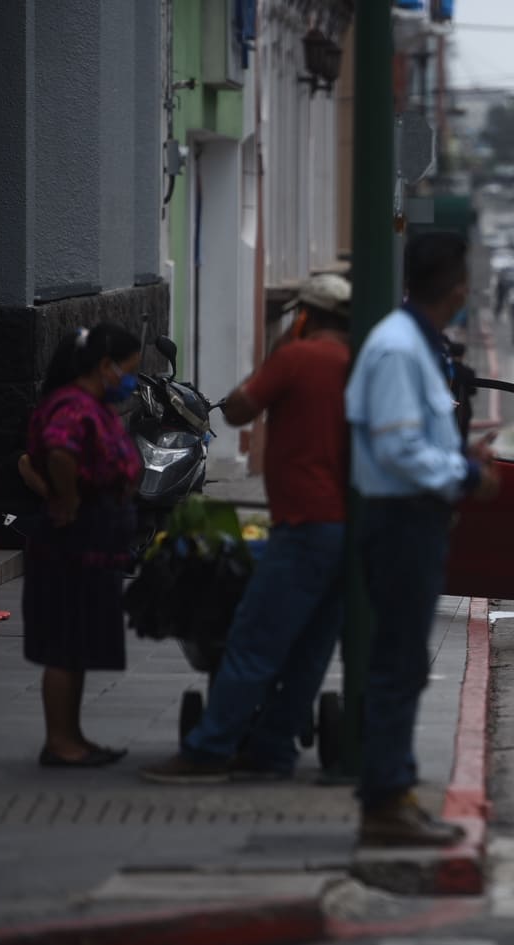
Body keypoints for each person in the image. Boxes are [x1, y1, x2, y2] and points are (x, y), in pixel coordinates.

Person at [141, 274, 353, 784]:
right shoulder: (362, 364)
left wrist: (281, 348)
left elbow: (236, 410)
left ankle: (209, 750)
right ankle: (272, 751)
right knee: (309, 653)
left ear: (305, 315)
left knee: (253, 642)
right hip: (347, 530)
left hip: (303, 524)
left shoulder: (297, 358)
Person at [347, 232, 500, 846]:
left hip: (415, 519)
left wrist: (458, 455)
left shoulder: (415, 344)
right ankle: (385, 801)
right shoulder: (397, 349)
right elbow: (399, 447)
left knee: (405, 663)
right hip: (399, 520)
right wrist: (464, 473)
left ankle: (396, 792)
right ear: (457, 287)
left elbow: (415, 439)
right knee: (397, 664)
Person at [19, 324, 142, 767]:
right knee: (66, 641)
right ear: (104, 366)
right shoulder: (72, 405)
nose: (130, 380)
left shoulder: (93, 405)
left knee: (80, 641)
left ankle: (73, 735)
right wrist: (67, 501)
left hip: (96, 540)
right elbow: (58, 452)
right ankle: (60, 741)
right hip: (74, 541)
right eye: (127, 370)